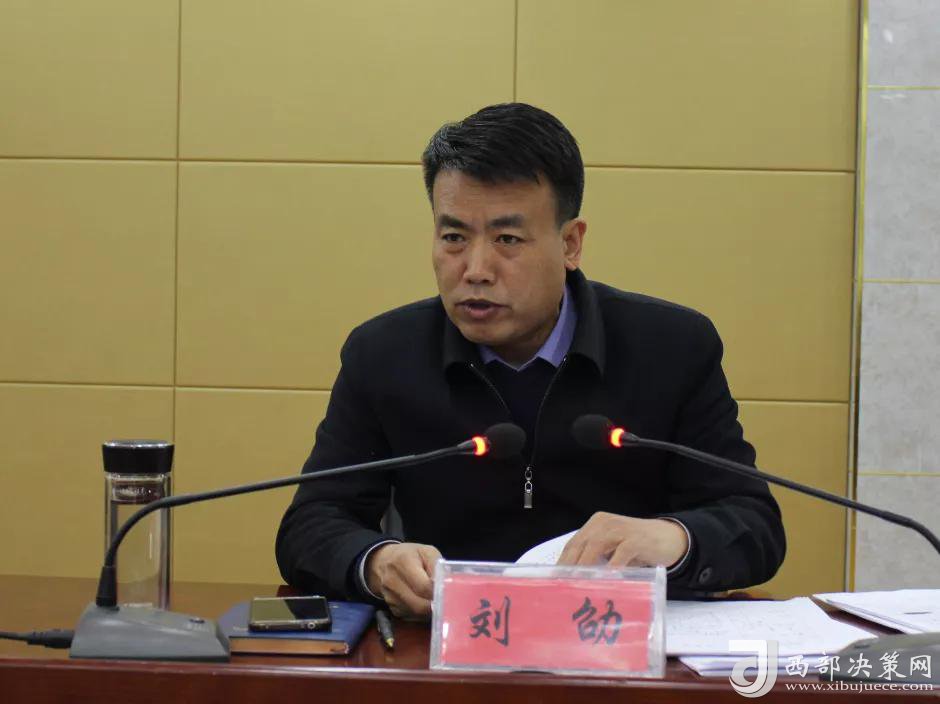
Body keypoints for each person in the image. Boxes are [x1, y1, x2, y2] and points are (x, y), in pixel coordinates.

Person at [276, 103, 785, 618]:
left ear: (570, 244)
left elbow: (754, 524)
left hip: (617, 642)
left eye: (507, 240)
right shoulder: (384, 353)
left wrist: (674, 539)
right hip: (449, 641)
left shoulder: (671, 347)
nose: (476, 269)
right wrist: (376, 562)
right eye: (453, 237)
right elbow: (311, 524)